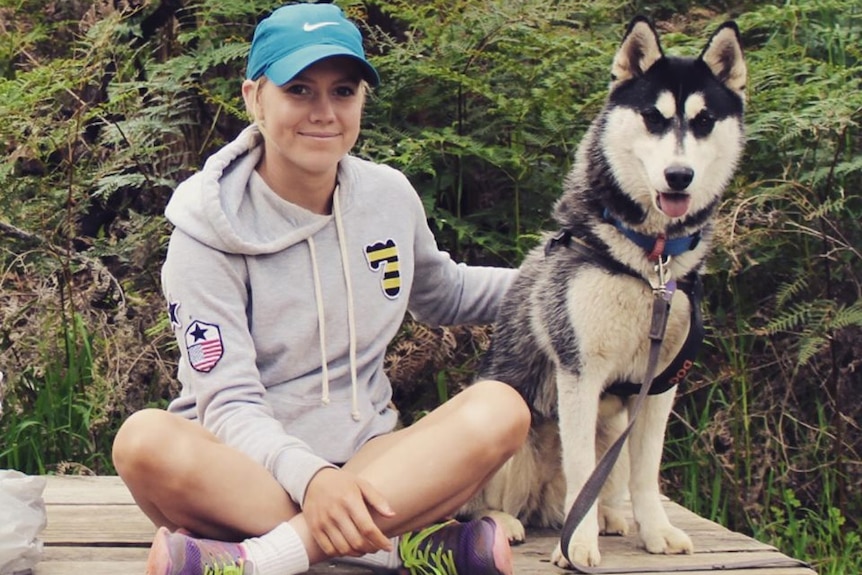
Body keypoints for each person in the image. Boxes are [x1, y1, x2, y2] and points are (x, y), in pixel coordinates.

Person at [111, 4, 530, 575]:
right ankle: (398, 543)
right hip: (247, 472)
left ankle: (263, 559)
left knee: (501, 408)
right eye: (300, 90)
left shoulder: (388, 195)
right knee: (143, 441)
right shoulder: (203, 236)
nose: (324, 113)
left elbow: (445, 292)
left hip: (370, 458)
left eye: (343, 91)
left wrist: (565, 281)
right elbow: (229, 403)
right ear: (254, 97)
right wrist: (312, 479)